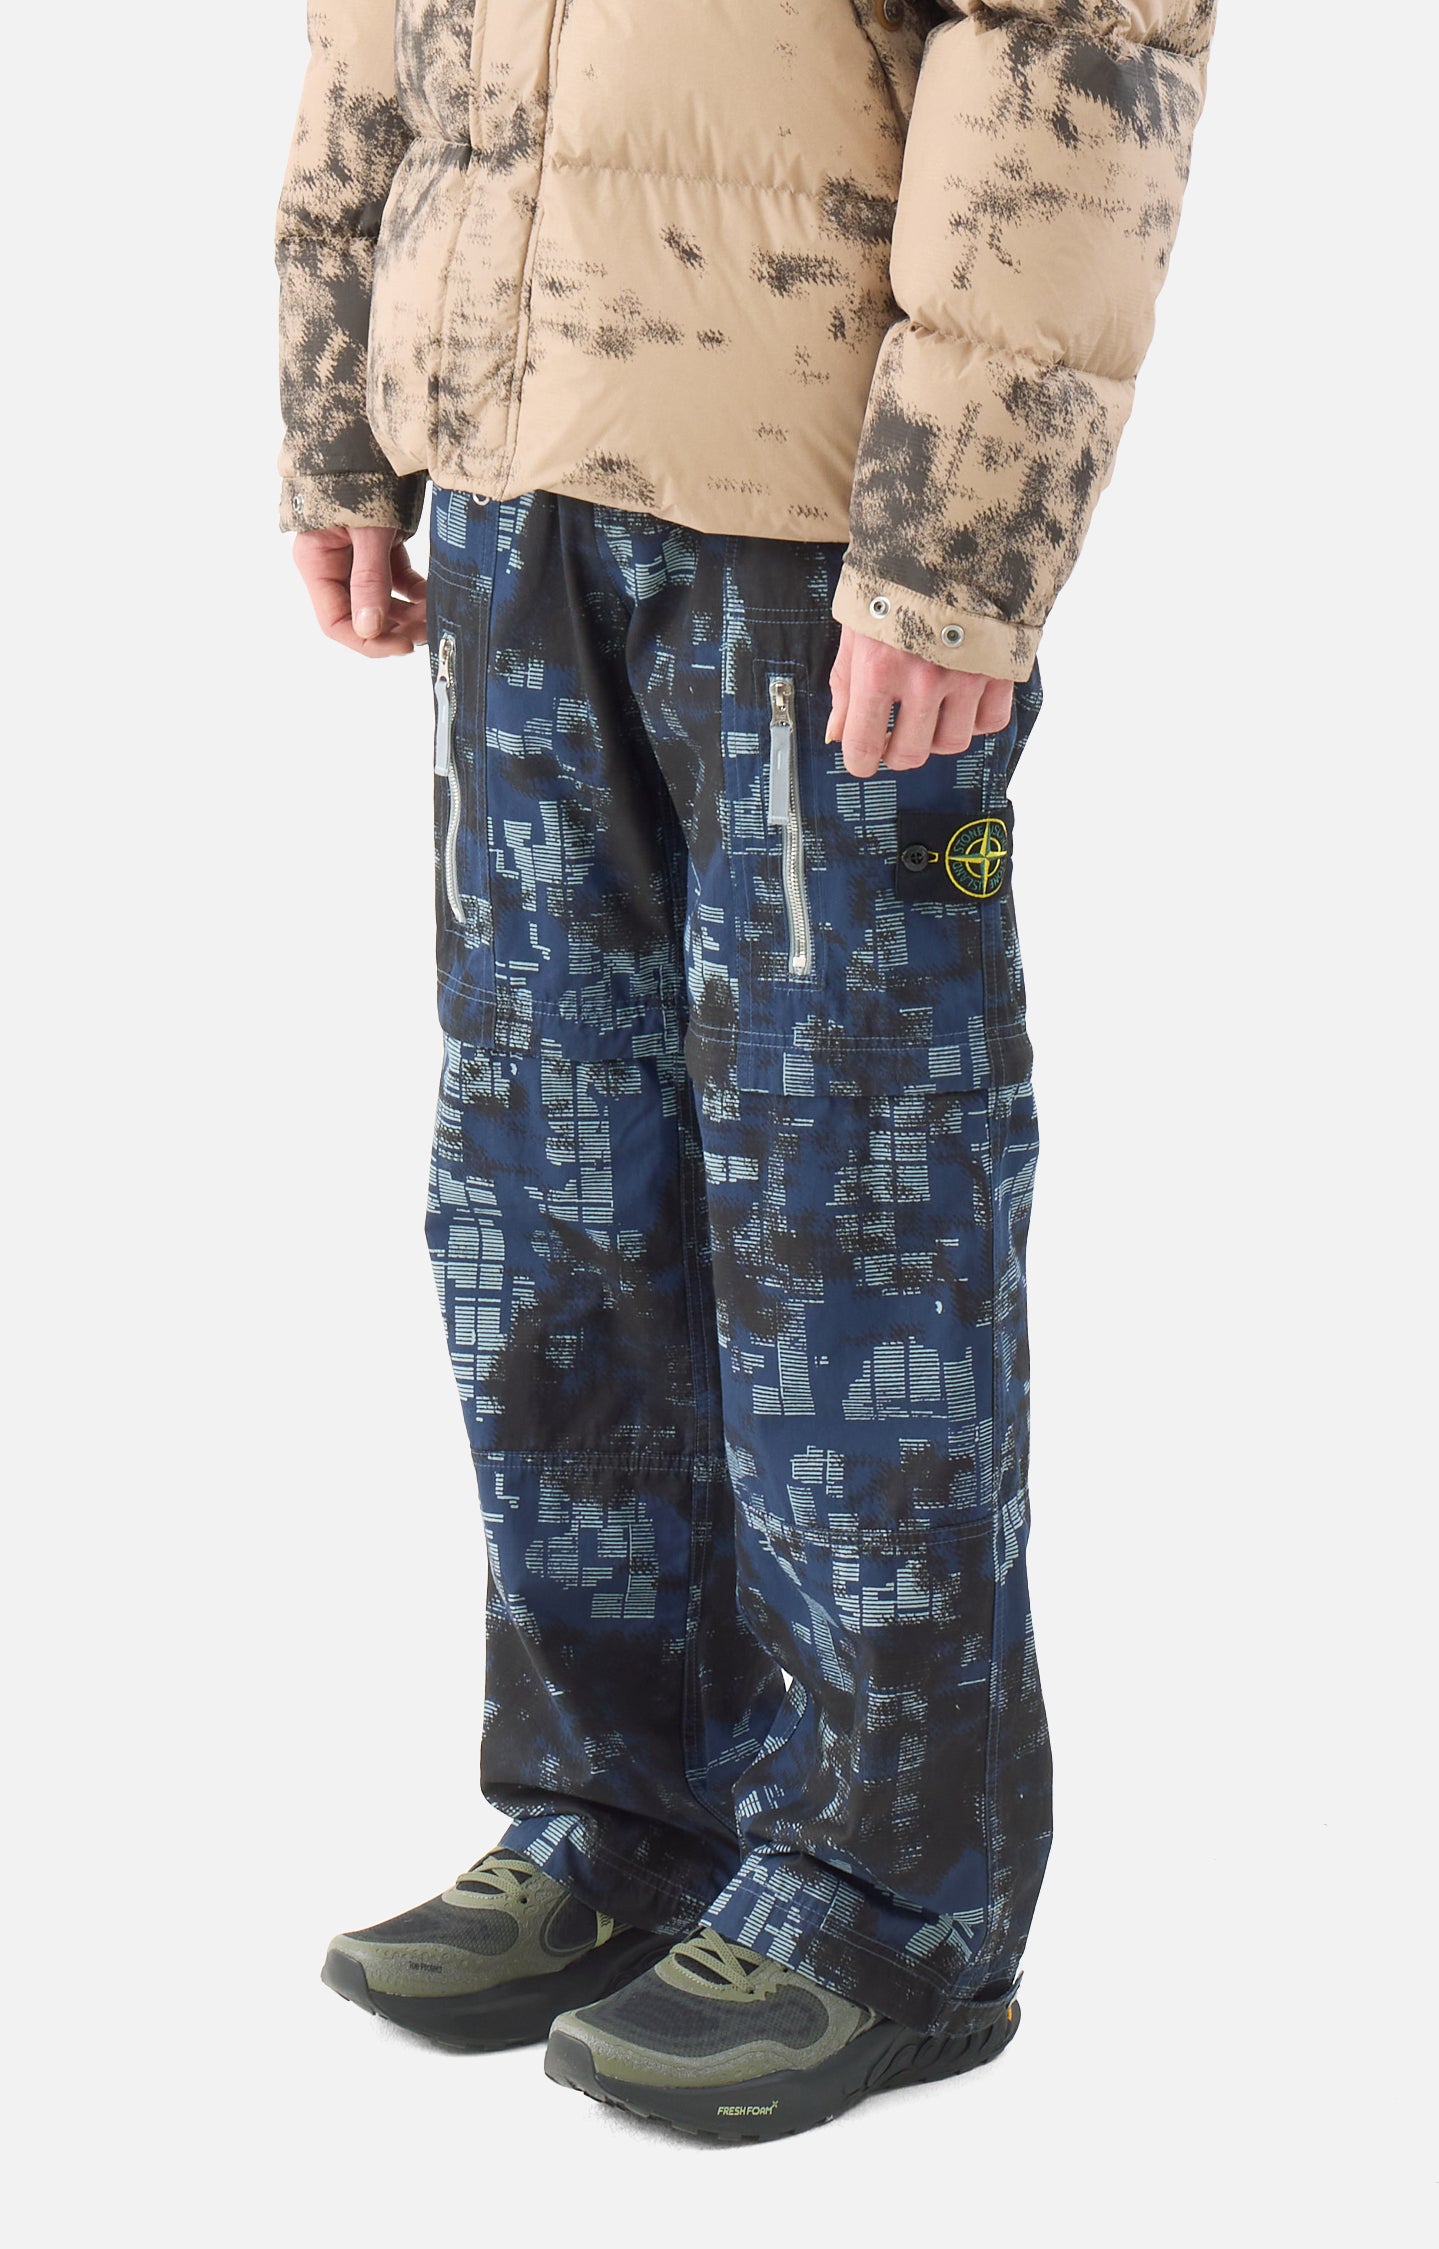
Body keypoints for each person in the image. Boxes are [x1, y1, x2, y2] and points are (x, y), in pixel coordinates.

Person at [277, 0, 1215, 2142]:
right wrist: (346, 405)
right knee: (544, 1182)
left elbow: (1077, 40)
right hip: (510, 465)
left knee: (848, 1204)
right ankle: (626, 1809)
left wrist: (962, 536)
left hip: (819, 507)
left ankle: (895, 1894)